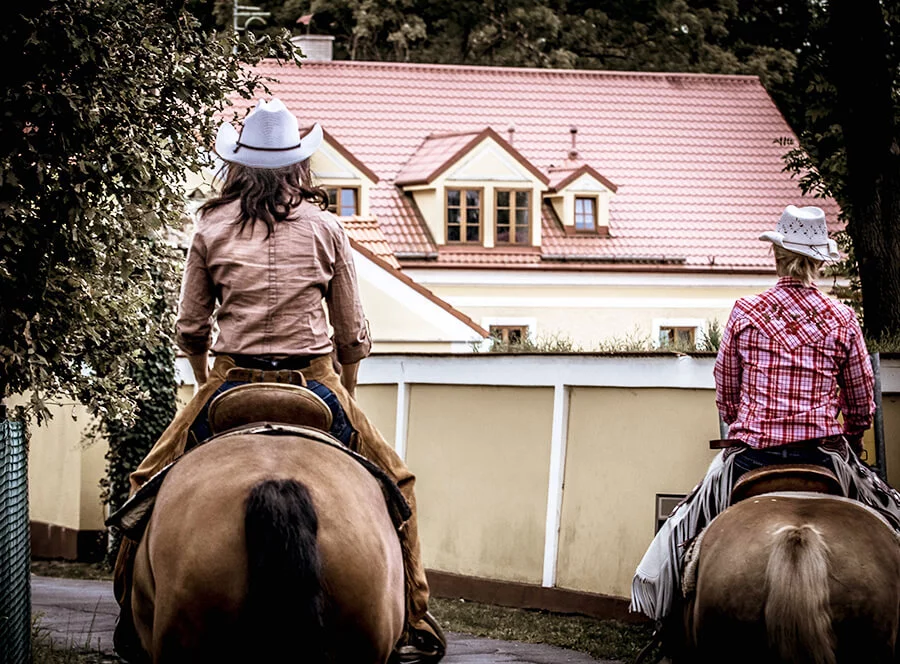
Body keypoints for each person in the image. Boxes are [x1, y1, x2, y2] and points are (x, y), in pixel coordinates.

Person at [113, 98, 446, 663]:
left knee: (143, 485)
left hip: (228, 381)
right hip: (315, 382)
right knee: (400, 485)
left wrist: (203, 383)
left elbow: (191, 329)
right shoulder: (328, 229)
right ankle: (415, 613)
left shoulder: (211, 228)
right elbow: (351, 336)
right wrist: (347, 390)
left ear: (238, 165)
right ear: (299, 165)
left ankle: (128, 611)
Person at [631, 204, 900, 622]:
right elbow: (862, 401)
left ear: (777, 256)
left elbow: (726, 391)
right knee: (892, 518)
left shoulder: (745, 311)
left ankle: (660, 616)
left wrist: (749, 420)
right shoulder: (844, 318)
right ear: (818, 262)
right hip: (825, 456)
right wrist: (854, 432)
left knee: (680, 529)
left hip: (750, 458)